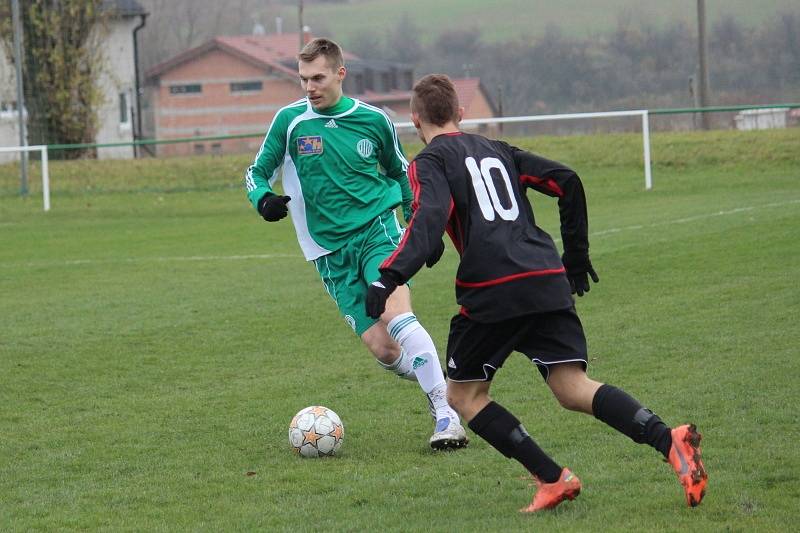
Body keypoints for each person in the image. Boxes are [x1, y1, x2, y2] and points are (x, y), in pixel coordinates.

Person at [366, 74, 707, 511]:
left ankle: (552, 477)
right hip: (545, 276)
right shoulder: (499, 149)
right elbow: (567, 179)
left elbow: (430, 215)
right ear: (462, 113)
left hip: (493, 288)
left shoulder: (429, 161)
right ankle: (668, 440)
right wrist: (576, 258)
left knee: (462, 396)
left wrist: (388, 277)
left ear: (414, 119)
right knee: (571, 387)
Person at [244, 40, 467, 450]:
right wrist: (263, 199)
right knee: (384, 349)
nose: (309, 86)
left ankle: (447, 413)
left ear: (339, 74)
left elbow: (402, 176)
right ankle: (440, 385)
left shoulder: (373, 120)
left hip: (377, 232)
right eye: (303, 78)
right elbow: (257, 172)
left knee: (397, 315)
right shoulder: (290, 121)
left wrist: (423, 230)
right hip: (328, 254)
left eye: (318, 78)